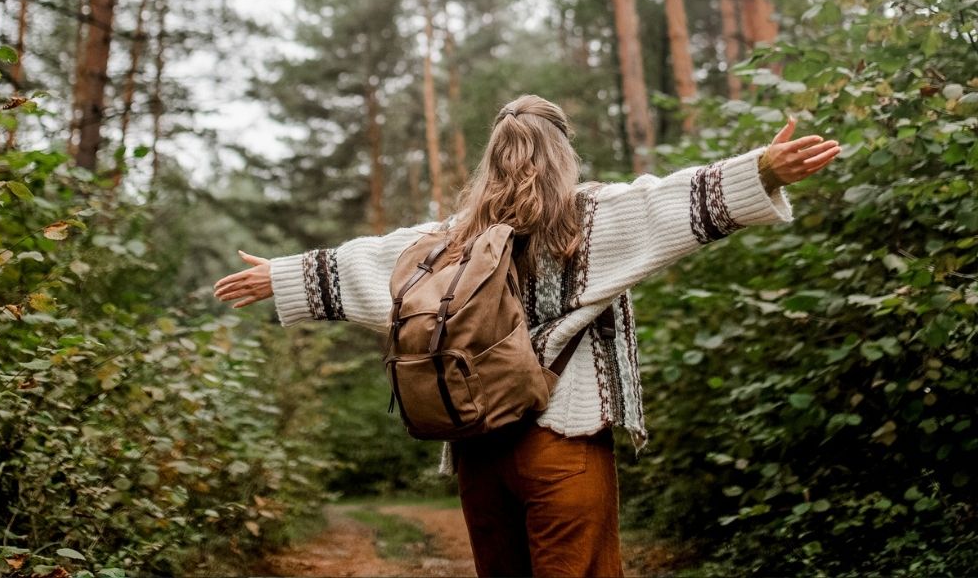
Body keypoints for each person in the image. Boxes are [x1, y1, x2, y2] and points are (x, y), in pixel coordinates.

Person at [213, 94, 841, 577]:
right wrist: (763, 169)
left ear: (494, 156)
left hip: (477, 447)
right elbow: (673, 204)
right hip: (563, 443)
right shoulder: (595, 219)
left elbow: (376, 265)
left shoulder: (448, 241)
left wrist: (285, 275)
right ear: (564, 151)